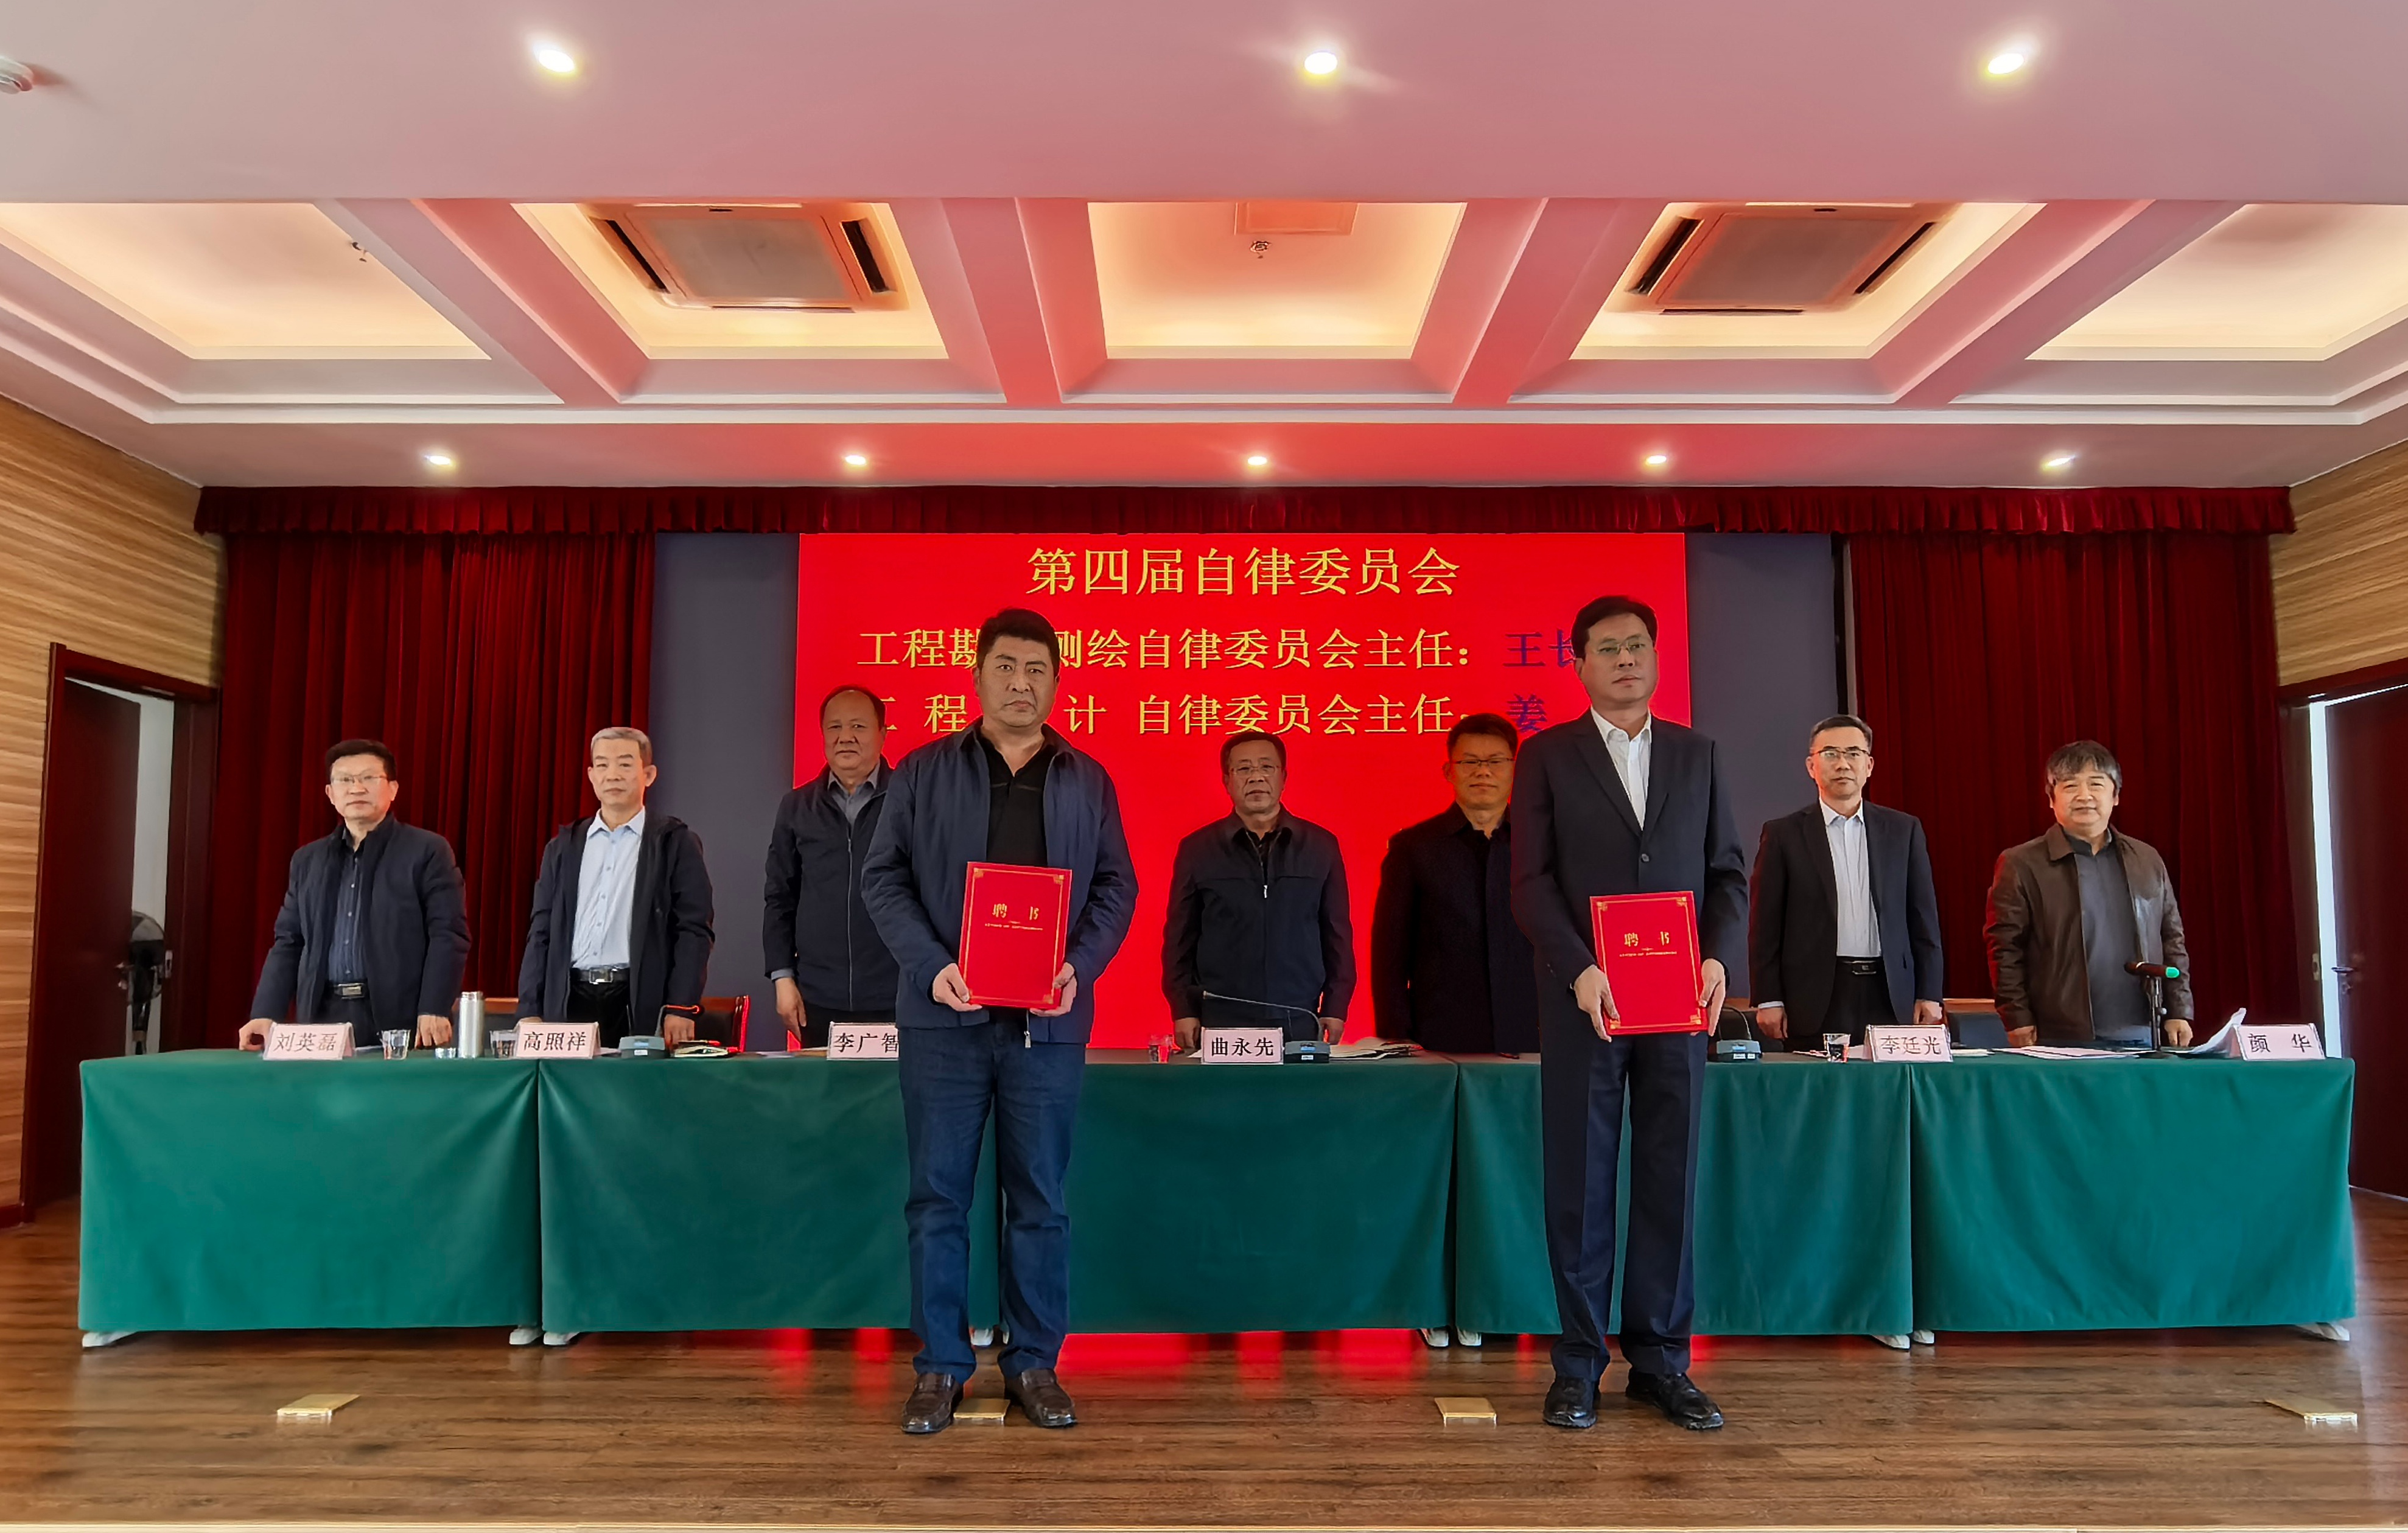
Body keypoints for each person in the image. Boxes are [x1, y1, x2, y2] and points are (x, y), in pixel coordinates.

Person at [861, 607, 1138, 1437]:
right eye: (1007, 667)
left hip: (1045, 1027)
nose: (1022, 683)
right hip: (943, 1020)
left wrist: (1078, 965)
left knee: (1040, 1201)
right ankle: (940, 1365)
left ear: (1057, 682)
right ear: (977, 676)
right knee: (937, 1197)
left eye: (1038, 669)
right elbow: (883, 878)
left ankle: (1034, 1361)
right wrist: (932, 966)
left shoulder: (1086, 778)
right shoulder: (923, 770)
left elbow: (1116, 887)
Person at [1509, 594, 1744, 1433]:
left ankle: (1662, 1361)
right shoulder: (1547, 755)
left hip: (1679, 1000)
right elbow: (1530, 881)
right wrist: (1578, 968)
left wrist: (1716, 958)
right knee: (1580, 1179)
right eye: (1605, 648)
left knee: (1669, 1177)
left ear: (1655, 656)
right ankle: (1578, 1363)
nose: (1624, 659)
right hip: (1587, 1002)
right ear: (1578, 663)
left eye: (1636, 644)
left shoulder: (1697, 752)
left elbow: (1725, 872)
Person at [240, 739, 469, 1051]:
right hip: (322, 1016)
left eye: (369, 778)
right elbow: (289, 942)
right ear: (330, 793)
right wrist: (266, 1012)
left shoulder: (427, 851)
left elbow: (448, 934)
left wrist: (434, 1007)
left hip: (400, 1018)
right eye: (345, 780)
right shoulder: (308, 860)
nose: (356, 788)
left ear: (393, 789)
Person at [1748, 714, 1944, 1049]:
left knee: (1889, 1082)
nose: (1843, 764)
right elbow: (1765, 925)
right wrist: (1768, 998)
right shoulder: (1784, 835)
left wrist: (1929, 992)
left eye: (1853, 753)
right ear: (1811, 766)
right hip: (1814, 996)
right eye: (1830, 754)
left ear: (1869, 765)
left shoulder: (1903, 831)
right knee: (1820, 1083)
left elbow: (1923, 918)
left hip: (1891, 992)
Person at [1986, 740, 2193, 1049]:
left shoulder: (2146, 858)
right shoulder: (2021, 863)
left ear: (2115, 796)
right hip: (2057, 1033)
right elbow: (2005, 948)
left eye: (2096, 784)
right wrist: (2016, 1017)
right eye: (2070, 786)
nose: (2084, 796)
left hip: (2142, 1029)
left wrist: (2179, 1011)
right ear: (2052, 799)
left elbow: (2172, 939)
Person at [516, 727, 715, 1045]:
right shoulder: (564, 847)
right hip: (570, 999)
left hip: (638, 1000)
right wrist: (530, 1008)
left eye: (625, 764)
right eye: (603, 765)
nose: (613, 775)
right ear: (592, 776)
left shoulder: (674, 843)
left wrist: (681, 1007)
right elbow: (541, 932)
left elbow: (693, 931)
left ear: (648, 775)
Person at [1163, 730, 1353, 1052]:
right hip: (1222, 1014)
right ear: (1227, 781)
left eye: (1266, 767)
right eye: (1244, 769)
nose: (1256, 777)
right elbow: (1180, 938)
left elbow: (1337, 934)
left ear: (1284, 777)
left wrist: (1336, 1006)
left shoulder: (1321, 846)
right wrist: (1183, 1009)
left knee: (1297, 1087)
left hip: (1298, 1013)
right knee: (1227, 1088)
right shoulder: (1198, 849)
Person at [1370, 712, 1539, 1054]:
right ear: (1449, 771)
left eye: (1495, 761)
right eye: (1470, 762)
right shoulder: (1413, 848)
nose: (1483, 772)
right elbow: (1389, 953)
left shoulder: (1544, 844)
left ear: (1515, 770)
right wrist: (1396, 1034)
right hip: (1441, 1034)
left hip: (1533, 1028)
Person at [763, 685, 898, 1047]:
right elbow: (779, 898)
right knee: (825, 1085)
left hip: (898, 993)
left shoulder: (909, 799)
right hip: (818, 996)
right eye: (834, 727)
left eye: (858, 726)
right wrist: (782, 978)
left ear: (883, 734)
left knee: (896, 1086)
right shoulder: (797, 806)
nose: (845, 737)